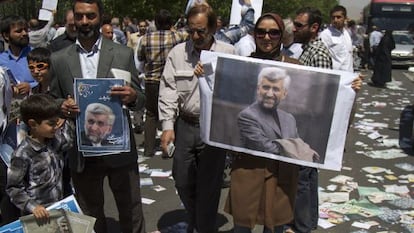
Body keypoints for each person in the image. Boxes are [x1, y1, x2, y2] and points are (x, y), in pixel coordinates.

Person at [49, 0, 146, 232]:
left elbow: (141, 99)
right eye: (80, 16)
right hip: (83, 149)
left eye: (90, 16)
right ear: (73, 18)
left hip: (118, 147)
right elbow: (52, 99)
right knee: (90, 213)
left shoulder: (122, 54)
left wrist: (132, 96)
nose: (84, 22)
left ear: (100, 17)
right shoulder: (59, 58)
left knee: (131, 209)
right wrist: (62, 105)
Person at [158, 3, 234, 232]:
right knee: (181, 178)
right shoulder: (177, 53)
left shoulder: (228, 52)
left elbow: (235, 90)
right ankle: (196, 215)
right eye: (191, 30)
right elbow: (168, 89)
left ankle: (203, 226)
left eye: (201, 31)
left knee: (209, 185)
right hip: (186, 124)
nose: (195, 36)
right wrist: (168, 126)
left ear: (213, 27)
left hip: (214, 127)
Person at [224, 13, 300, 233]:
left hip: (281, 167)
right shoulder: (243, 64)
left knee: (275, 224)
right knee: (242, 223)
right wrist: (204, 73)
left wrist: (350, 88)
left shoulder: (295, 66)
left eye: (274, 32)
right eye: (261, 32)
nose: (267, 37)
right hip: (248, 161)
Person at [291, 7, 362, 233]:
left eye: (299, 25)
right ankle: (308, 222)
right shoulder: (308, 49)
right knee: (308, 174)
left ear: (313, 28)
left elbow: (320, 94)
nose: (294, 29)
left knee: (302, 177)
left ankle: (301, 226)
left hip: (309, 125)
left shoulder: (318, 53)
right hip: (306, 123)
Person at [6, 94, 74, 221]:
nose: (56, 127)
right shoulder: (23, 154)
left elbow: (69, 140)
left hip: (58, 208)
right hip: (37, 216)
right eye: (51, 124)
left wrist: (68, 115)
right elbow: (13, 188)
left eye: (56, 122)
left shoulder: (54, 141)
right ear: (33, 124)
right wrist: (33, 207)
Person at [137, 9, 186, 158]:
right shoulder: (177, 37)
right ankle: (170, 146)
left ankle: (149, 148)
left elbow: (140, 57)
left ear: (156, 23)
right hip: (171, 79)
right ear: (171, 23)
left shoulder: (145, 39)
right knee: (173, 114)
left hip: (152, 80)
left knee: (151, 114)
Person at [0, 15, 38, 91]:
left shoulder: (37, 55)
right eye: (19, 31)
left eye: (26, 30)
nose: (24, 33)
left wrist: (31, 86)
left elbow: (48, 79)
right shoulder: (1, 59)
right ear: (6, 35)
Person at [319, 5, 353, 72]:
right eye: (333, 17)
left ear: (345, 18)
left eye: (338, 17)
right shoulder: (325, 35)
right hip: (336, 76)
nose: (335, 20)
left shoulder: (346, 33)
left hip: (349, 75)